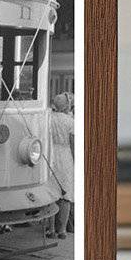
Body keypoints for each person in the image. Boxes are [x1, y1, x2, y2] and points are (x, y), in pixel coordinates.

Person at [49, 92, 75, 238]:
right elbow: (73, 143)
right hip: (66, 156)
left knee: (51, 193)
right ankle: (62, 230)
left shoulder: (49, 119)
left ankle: (51, 229)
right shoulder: (70, 121)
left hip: (52, 154)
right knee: (66, 194)